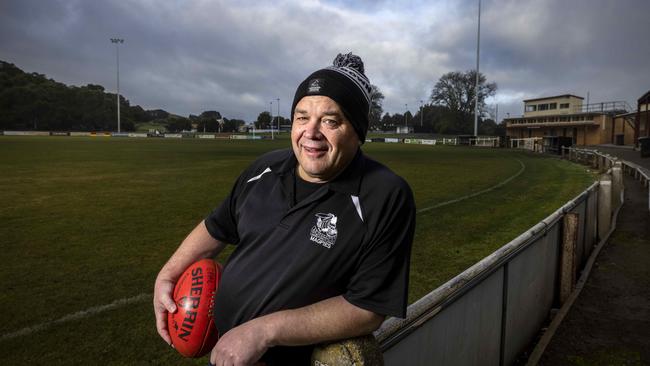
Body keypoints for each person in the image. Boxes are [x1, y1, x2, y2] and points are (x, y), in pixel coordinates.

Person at [153, 53, 416, 366]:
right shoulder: (264, 169)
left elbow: (367, 308)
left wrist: (263, 332)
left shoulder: (384, 195)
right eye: (302, 117)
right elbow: (216, 226)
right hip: (230, 355)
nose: (312, 132)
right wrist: (168, 274)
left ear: (357, 132)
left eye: (331, 121)